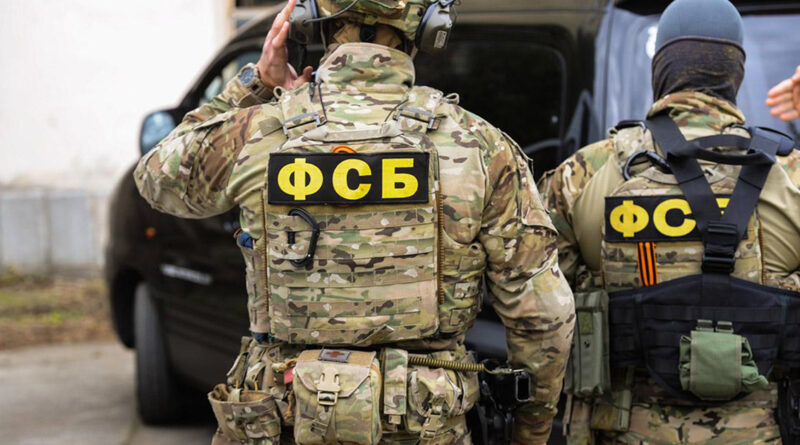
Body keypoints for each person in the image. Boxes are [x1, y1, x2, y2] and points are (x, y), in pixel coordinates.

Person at [134, 0, 575, 444]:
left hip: (281, 422)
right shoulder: (479, 146)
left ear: (311, 22)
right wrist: (530, 433)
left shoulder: (259, 132)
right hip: (424, 426)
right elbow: (544, 316)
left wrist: (256, 85)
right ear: (427, 27)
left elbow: (156, 176)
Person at [538, 0, 800, 443]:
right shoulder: (791, 176)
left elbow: (540, 311)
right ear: (736, 73)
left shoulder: (584, 174)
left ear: (660, 68)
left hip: (621, 429)